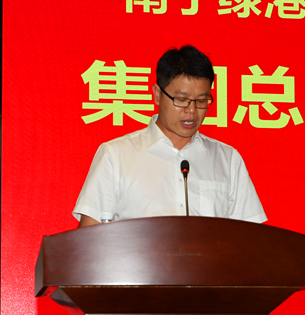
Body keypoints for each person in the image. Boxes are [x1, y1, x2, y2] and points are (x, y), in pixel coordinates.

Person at [73, 45, 266, 227]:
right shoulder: (116, 155)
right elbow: (89, 240)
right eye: (181, 99)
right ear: (157, 94)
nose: (192, 110)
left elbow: (250, 239)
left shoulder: (228, 160)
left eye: (201, 101)